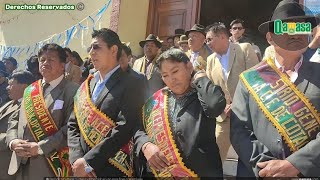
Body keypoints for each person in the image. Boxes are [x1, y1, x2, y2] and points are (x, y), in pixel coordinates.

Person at [230, 0, 320, 177]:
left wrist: (295, 165)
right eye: (285, 28)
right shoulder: (249, 79)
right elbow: (239, 131)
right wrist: (265, 168)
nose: (295, 34)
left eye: (300, 28)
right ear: (270, 38)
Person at [134, 48, 226, 177]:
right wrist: (145, 145)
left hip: (200, 173)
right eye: (165, 75)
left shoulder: (203, 93)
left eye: (175, 71)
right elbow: (139, 128)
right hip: (162, 173)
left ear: (189, 67)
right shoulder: (157, 100)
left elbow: (214, 106)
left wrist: (199, 76)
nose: (171, 79)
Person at [68, 28, 146, 178]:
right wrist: (77, 160)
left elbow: (124, 128)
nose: (91, 52)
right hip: (80, 169)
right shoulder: (87, 84)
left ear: (113, 49)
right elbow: (73, 123)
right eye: (90, 48)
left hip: (112, 168)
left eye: (97, 47)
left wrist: (89, 162)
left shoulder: (132, 83)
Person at [7, 43, 79, 179]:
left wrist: (40, 147)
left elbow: (72, 128)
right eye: (42, 60)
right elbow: (15, 119)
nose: (45, 63)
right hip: (19, 162)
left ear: (62, 65)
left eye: (51, 59)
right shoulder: (30, 89)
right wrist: (13, 141)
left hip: (50, 165)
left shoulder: (73, 91)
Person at [205, 22, 259, 162]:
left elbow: (254, 80)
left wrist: (236, 104)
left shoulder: (244, 49)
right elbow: (211, 90)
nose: (207, 43)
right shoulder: (210, 60)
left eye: (210, 39)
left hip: (246, 117)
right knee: (216, 159)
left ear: (223, 36)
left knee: (249, 159)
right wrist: (221, 106)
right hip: (223, 116)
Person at [0, 71, 35, 180]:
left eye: (11, 84)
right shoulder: (9, 103)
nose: (7, 88)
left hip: (9, 162)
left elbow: (23, 135)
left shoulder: (30, 106)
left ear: (24, 86)